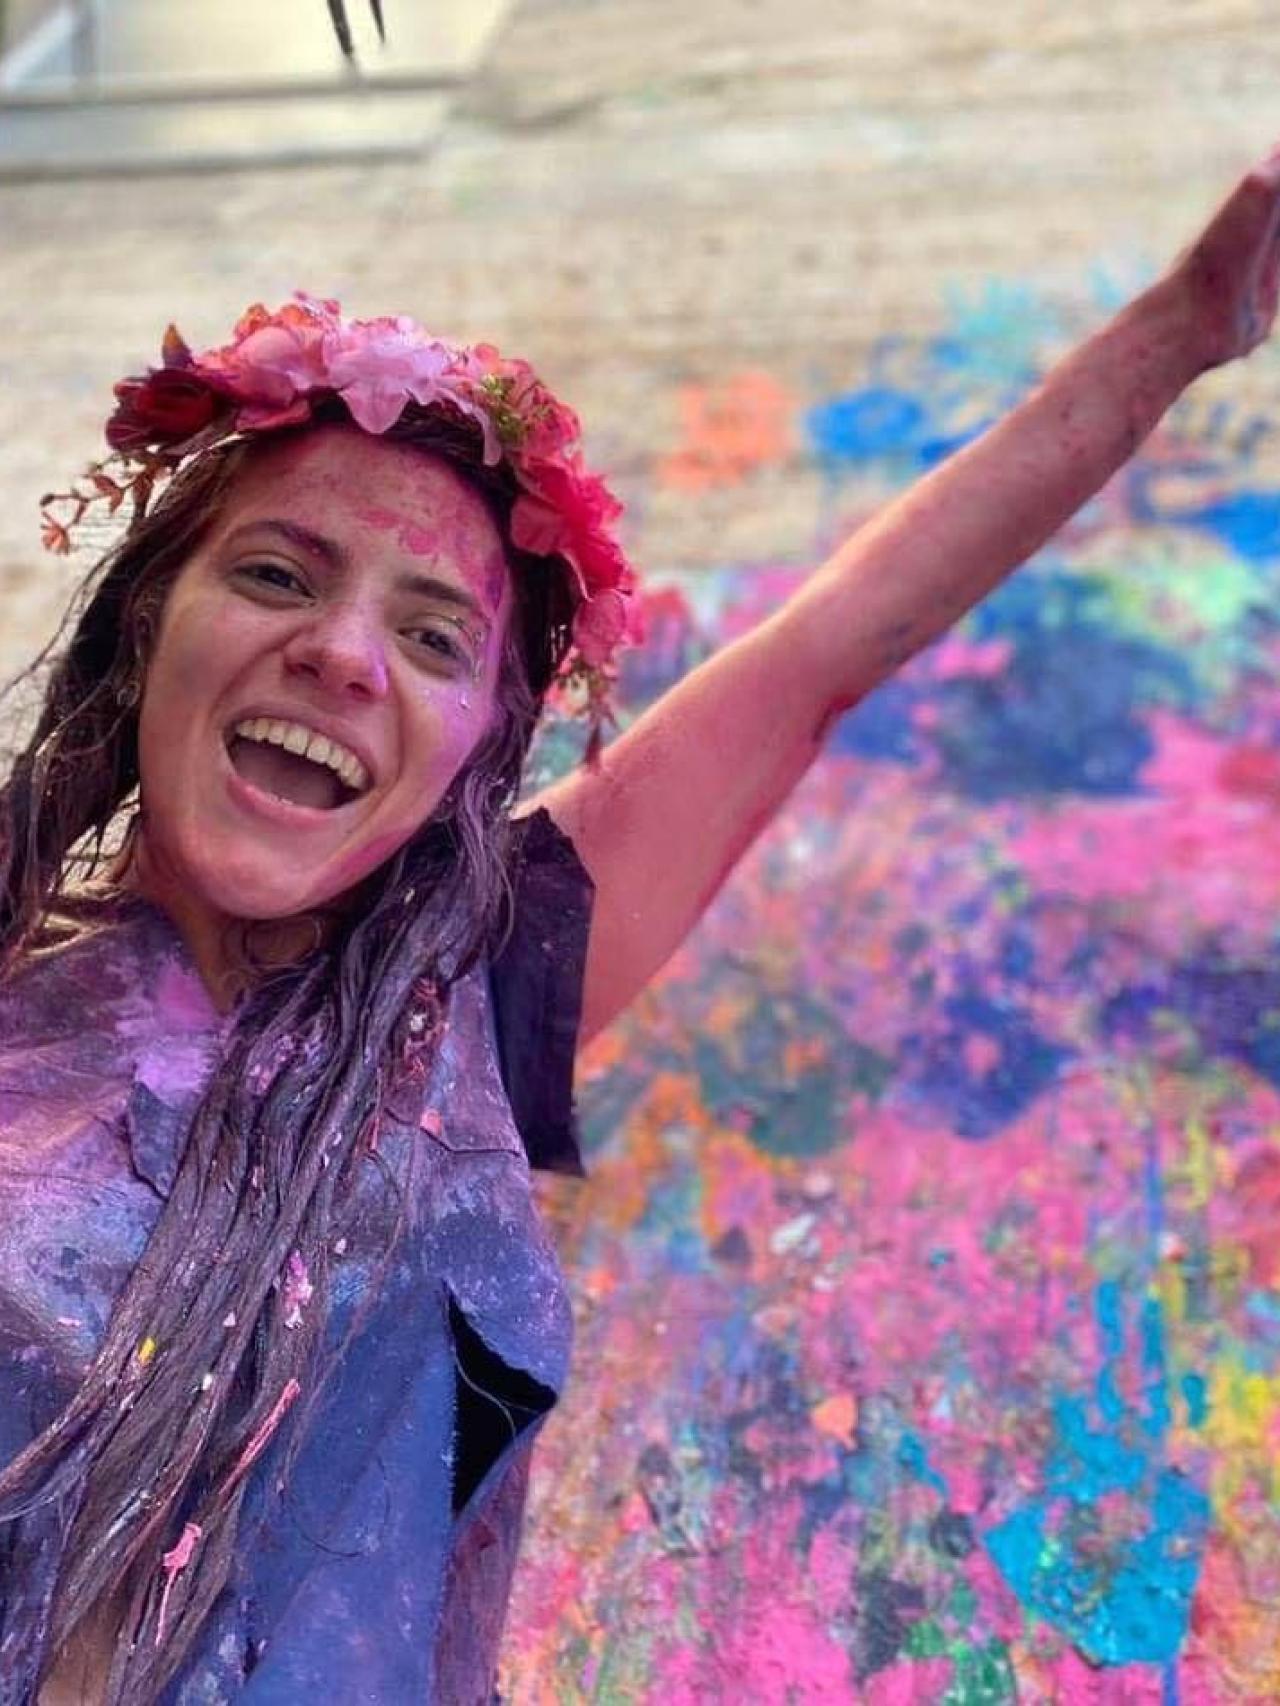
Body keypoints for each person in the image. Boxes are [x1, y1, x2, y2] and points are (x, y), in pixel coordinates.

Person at [1, 143, 1278, 1704]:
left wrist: (1186, 324)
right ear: (151, 621)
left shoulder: (478, 988)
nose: (343, 653)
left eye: (433, 636)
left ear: (477, 748)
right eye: (278, 573)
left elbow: (827, 654)